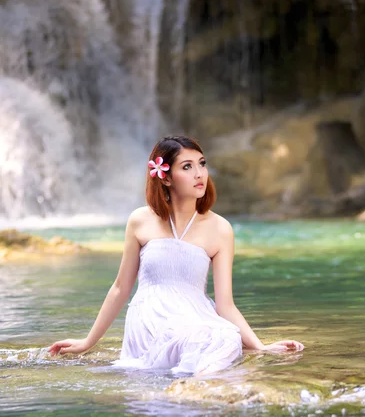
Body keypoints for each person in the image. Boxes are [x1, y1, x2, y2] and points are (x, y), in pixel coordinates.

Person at [49, 135, 304, 375]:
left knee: (225, 337)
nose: (199, 174)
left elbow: (225, 304)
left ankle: (200, 395)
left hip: (196, 317)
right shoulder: (140, 220)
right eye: (187, 167)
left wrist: (260, 346)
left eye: (202, 164)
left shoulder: (220, 229)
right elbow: (119, 288)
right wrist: (87, 342)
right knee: (200, 340)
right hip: (150, 319)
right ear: (166, 177)